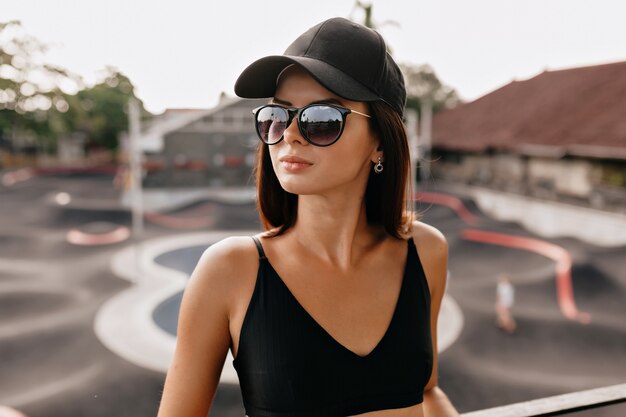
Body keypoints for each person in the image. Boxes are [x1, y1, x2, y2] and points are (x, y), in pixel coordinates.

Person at [157, 17, 459, 417]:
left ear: (380, 144)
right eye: (277, 117)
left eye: (321, 120)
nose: (290, 136)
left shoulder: (426, 251)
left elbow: (427, 392)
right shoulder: (230, 270)